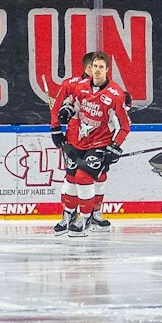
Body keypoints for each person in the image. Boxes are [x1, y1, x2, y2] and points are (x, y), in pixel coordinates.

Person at [49, 51, 129, 235]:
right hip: (76, 141)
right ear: (90, 69)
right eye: (95, 67)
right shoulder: (80, 87)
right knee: (70, 180)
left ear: (107, 70)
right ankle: (68, 215)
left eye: (101, 67)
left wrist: (115, 146)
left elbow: (125, 126)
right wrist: (66, 113)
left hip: (99, 144)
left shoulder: (115, 94)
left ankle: (85, 219)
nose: (97, 70)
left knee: (84, 178)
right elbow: (74, 107)